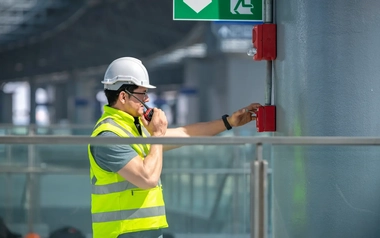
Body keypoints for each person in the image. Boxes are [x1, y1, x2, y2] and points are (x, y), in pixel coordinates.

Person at [88, 57, 262, 238]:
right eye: (142, 93)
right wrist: (156, 135)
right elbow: (147, 178)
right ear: (123, 96)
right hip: (121, 234)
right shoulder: (109, 136)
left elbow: (186, 133)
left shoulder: (133, 128)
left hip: (145, 232)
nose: (147, 99)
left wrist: (228, 122)